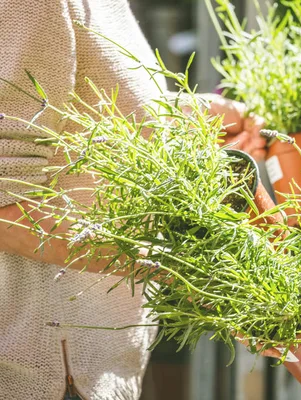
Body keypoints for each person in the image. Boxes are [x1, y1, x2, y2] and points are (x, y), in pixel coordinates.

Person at [0, 1, 266, 399]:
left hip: (101, 362)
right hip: (41, 372)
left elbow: (83, 107)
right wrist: (178, 266)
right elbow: (7, 210)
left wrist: (184, 118)